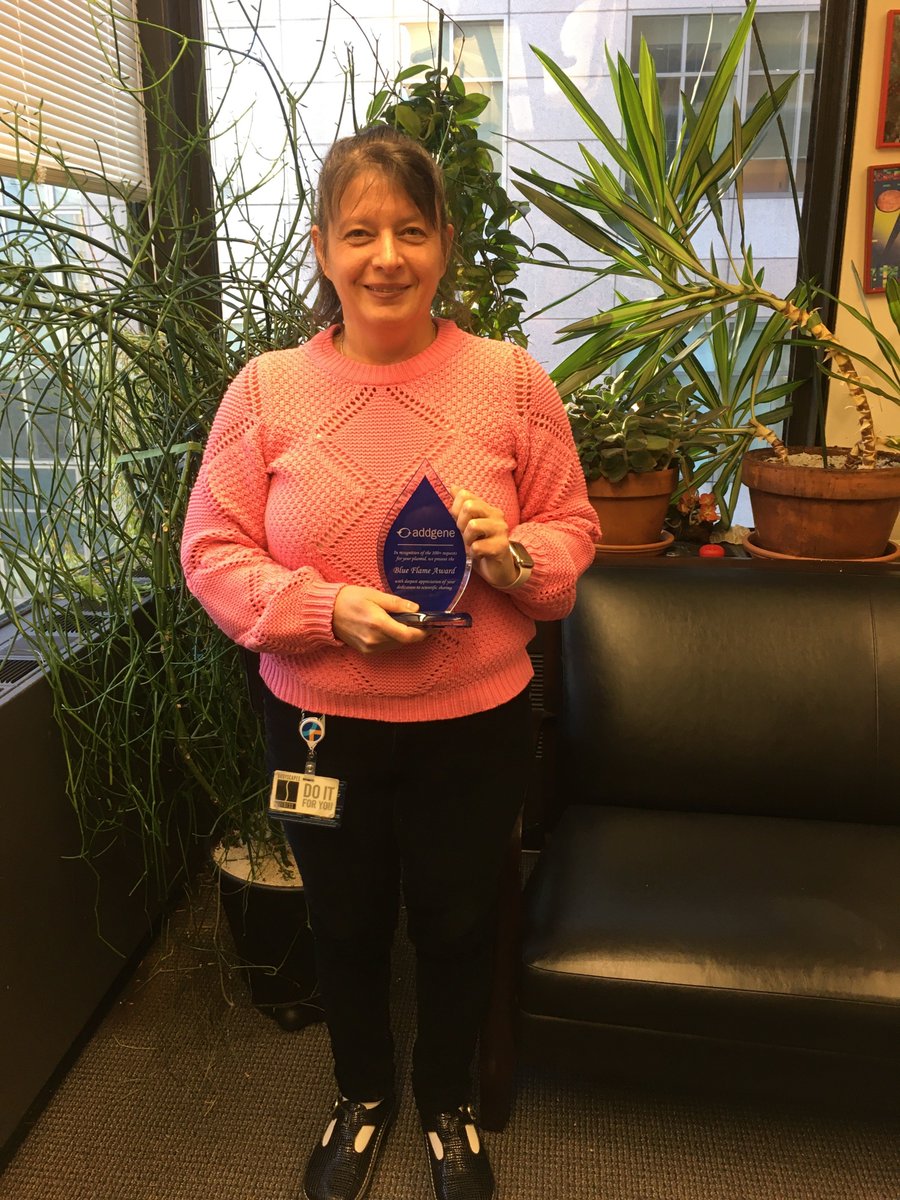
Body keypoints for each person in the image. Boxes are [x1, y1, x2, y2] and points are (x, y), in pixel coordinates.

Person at [181, 125, 598, 1200]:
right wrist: (325, 610)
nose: (387, 257)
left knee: (460, 922)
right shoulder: (266, 390)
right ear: (323, 248)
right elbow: (211, 551)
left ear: (445, 243)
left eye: (411, 230)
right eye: (360, 232)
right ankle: (362, 1093)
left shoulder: (511, 383)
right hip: (320, 726)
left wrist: (510, 556)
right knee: (345, 920)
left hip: (474, 721)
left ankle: (446, 1103)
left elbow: (570, 535)